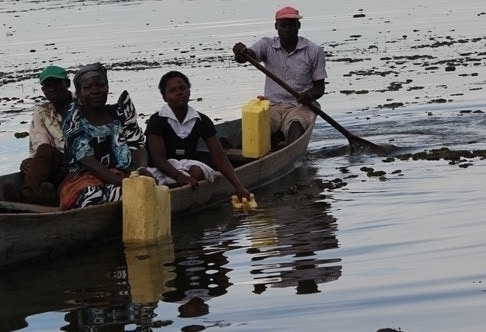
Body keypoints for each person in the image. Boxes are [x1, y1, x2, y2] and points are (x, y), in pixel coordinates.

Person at [142, 70, 250, 200]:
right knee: (153, 180)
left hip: (187, 167)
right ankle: (171, 193)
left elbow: (219, 156)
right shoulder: (157, 120)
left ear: (189, 91)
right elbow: (158, 159)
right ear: (165, 97)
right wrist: (179, 176)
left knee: (197, 172)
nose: (179, 92)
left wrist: (238, 186)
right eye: (172, 90)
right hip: (160, 168)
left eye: (183, 88)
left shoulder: (201, 120)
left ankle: (180, 194)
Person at [58, 63, 149, 210]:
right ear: (80, 93)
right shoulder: (74, 120)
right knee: (92, 194)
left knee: (132, 194)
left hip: (125, 175)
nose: (95, 91)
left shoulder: (121, 113)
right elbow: (87, 160)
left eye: (100, 85)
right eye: (88, 87)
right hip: (86, 178)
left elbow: (137, 145)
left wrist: (142, 169)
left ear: (107, 88)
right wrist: (122, 182)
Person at [232, 5, 326, 147]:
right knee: (252, 128)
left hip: (300, 106)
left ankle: (289, 151)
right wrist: (240, 52)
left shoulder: (314, 51)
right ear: (277, 27)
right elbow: (246, 57)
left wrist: (309, 96)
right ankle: (239, 156)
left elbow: (320, 88)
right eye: (283, 25)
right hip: (273, 105)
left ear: (298, 26)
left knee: (296, 125)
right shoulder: (267, 45)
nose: (288, 29)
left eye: (291, 25)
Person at [3, 65, 73, 206]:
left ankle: (30, 196)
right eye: (47, 86)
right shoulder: (42, 112)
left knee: (46, 164)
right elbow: (39, 147)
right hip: (58, 164)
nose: (52, 89)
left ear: (67, 83)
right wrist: (32, 162)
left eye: (57, 84)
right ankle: (31, 194)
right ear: (43, 90)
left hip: (84, 161)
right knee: (40, 154)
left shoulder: (83, 105)